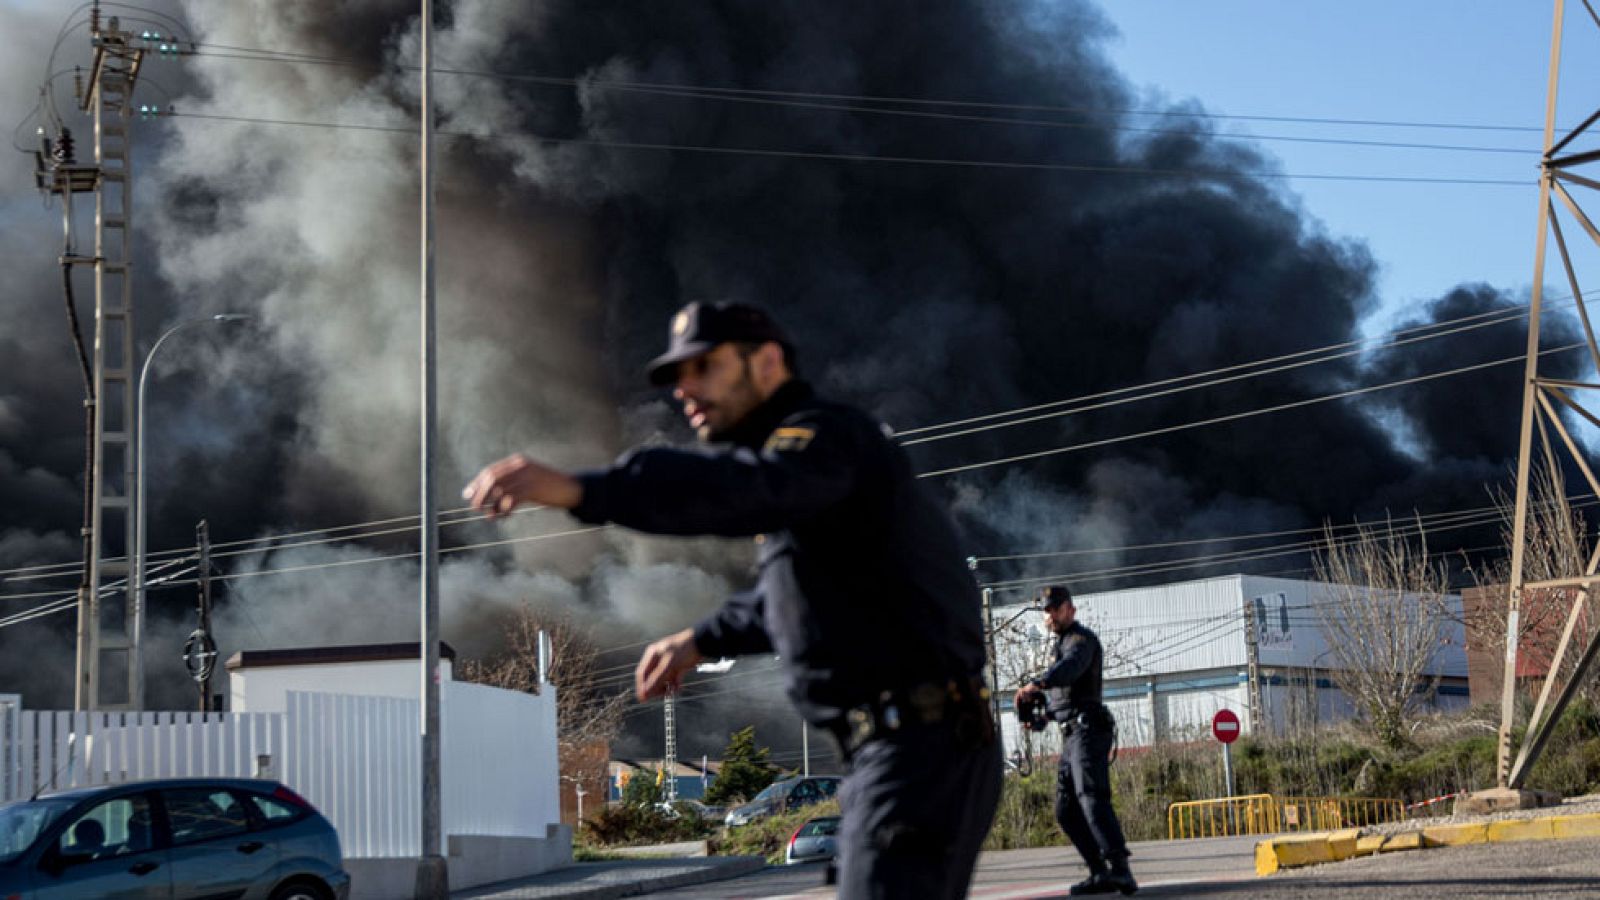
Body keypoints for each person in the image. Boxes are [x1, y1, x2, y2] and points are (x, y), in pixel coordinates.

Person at [463, 300, 1002, 898]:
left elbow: (745, 490)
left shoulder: (824, 439)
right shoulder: (805, 476)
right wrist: (701, 639)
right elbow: (792, 597)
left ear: (767, 361)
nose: (684, 391)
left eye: (703, 368)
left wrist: (581, 489)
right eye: (674, 378)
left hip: (919, 749)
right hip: (903, 751)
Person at [1013, 585, 1137, 896]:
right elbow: (1064, 699)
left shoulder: (1081, 641)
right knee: (1065, 810)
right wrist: (1042, 718)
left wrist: (1037, 683)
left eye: (1055, 608)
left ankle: (1120, 870)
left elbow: (1070, 670)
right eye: (1046, 610)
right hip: (1072, 734)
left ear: (1071, 609)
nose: (1050, 614)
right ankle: (1099, 872)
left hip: (1089, 730)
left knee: (1091, 797)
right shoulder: (1061, 646)